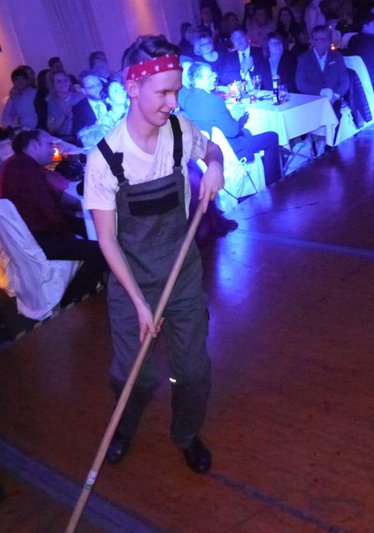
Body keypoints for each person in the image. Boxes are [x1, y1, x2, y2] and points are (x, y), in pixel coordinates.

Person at [83, 34, 225, 474]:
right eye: (163, 92)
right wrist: (141, 304)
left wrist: (215, 165)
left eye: (176, 91)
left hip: (182, 275)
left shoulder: (180, 130)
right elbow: (107, 240)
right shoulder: (105, 159)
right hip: (132, 283)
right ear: (132, 87)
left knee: (192, 371)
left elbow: (212, 148)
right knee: (134, 376)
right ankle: (124, 426)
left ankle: (186, 434)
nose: (173, 102)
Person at [0, 129, 108, 308]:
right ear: (33, 145)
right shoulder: (26, 170)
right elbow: (49, 211)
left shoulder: (18, 165)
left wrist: (74, 216)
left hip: (28, 231)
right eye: (49, 144)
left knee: (87, 226)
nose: (52, 150)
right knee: (100, 251)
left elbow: (51, 200)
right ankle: (71, 300)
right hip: (36, 238)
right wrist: (69, 235)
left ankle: (106, 274)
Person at [182, 61, 283, 186]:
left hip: (207, 149)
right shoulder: (214, 100)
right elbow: (233, 131)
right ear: (198, 81)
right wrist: (238, 118)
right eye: (209, 76)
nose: (214, 77)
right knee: (271, 137)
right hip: (229, 150)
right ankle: (275, 185)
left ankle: (257, 176)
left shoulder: (188, 100)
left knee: (247, 132)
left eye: (213, 74)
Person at [296, 25, 350, 120]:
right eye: (317, 40)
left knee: (334, 117)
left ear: (329, 41)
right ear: (312, 41)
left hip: (334, 100)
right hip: (312, 100)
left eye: (324, 39)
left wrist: (334, 96)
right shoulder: (304, 58)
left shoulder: (337, 56)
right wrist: (320, 92)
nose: (321, 42)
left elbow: (345, 81)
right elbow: (300, 83)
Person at [71, 70, 111, 147]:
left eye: (99, 84)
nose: (98, 89)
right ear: (83, 90)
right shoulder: (79, 108)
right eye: (92, 87)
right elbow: (77, 137)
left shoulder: (113, 99)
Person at [46, 70, 85, 142]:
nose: (63, 83)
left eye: (65, 80)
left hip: (83, 137)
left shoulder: (80, 97)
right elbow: (52, 129)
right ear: (53, 85)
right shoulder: (51, 102)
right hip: (64, 139)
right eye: (59, 81)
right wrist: (64, 115)